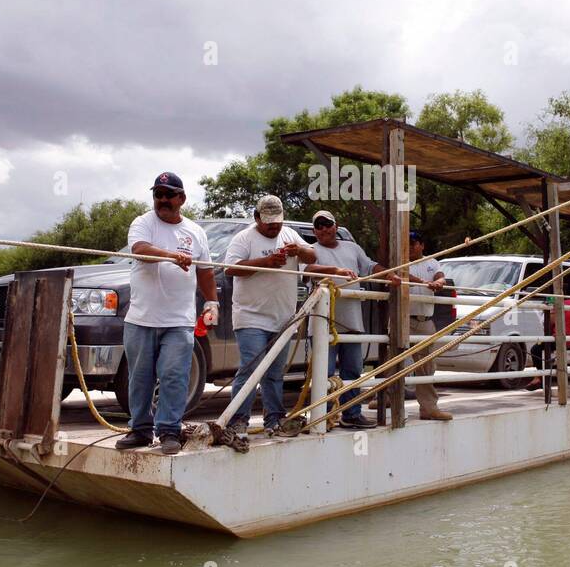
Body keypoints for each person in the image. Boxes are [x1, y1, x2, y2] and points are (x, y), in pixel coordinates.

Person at [116, 172, 218, 455]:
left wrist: (212, 303)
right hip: (140, 319)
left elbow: (206, 271)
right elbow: (140, 250)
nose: (162, 199)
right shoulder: (142, 223)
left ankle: (169, 432)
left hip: (179, 320)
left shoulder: (196, 232)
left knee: (174, 375)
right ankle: (140, 430)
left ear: (181, 199)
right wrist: (173, 256)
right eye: (158, 194)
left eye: (168, 194)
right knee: (140, 377)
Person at [224, 194, 317, 435]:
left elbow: (312, 257)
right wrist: (266, 261)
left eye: (278, 220)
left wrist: (300, 250)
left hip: (283, 317)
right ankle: (238, 420)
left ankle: (274, 419)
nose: (275, 225)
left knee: (275, 373)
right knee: (251, 369)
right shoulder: (243, 238)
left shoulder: (289, 235)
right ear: (256, 218)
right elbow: (231, 269)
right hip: (251, 316)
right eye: (269, 221)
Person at [303, 210, 384, 429]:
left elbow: (370, 266)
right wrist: (336, 270)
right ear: (314, 231)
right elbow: (309, 269)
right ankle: (323, 417)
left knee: (353, 371)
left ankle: (352, 414)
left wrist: (390, 275)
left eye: (327, 224)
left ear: (335, 226)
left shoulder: (352, 248)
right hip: (322, 325)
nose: (323, 229)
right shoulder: (311, 251)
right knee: (324, 372)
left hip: (352, 323)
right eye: (318, 226)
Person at [404, 230, 452, 420]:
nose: (410, 247)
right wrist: (425, 282)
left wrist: (439, 282)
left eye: (414, 243)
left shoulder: (431, 263)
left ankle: (428, 407)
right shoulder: (400, 260)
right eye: (407, 243)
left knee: (426, 367)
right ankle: (387, 398)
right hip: (403, 318)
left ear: (422, 245)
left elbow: (441, 276)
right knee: (392, 363)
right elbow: (402, 275)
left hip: (425, 320)